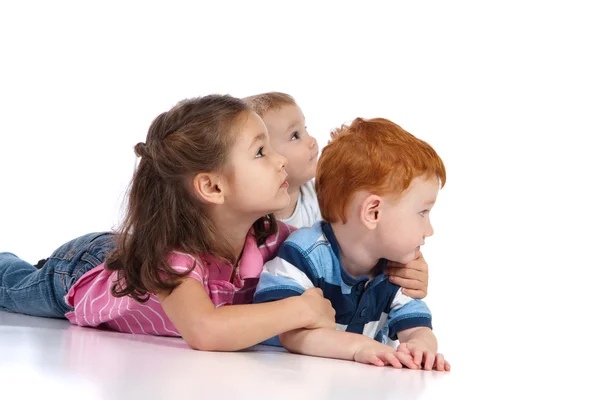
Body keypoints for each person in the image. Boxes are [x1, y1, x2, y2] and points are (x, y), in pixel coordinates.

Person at [0, 94, 336, 351]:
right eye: (261, 152)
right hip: (84, 269)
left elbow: (340, 251)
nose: (280, 161)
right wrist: (299, 310)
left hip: (129, 246)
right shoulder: (172, 258)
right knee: (12, 286)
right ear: (212, 187)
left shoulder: (270, 238)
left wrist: (388, 265)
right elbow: (206, 329)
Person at [254, 117, 451, 371]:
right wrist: (359, 347)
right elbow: (292, 334)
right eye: (422, 212)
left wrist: (421, 346)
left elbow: (416, 326)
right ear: (373, 213)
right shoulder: (305, 254)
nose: (430, 230)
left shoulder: (396, 267)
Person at [244, 92, 429, 299]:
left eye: (305, 130)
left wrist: (410, 267)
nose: (312, 141)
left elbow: (371, 236)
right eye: (295, 136)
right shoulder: (249, 217)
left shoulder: (322, 197)